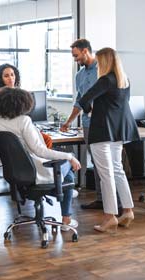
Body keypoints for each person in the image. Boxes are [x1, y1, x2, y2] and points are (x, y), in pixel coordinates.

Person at [0, 87, 81, 229]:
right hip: (35, 170)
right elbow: (40, 151)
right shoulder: (24, 121)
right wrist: (69, 156)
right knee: (70, 163)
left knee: (67, 175)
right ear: (23, 104)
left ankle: (65, 195)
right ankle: (66, 215)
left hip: (15, 172)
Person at [77, 47, 139, 233]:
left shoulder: (105, 80)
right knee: (117, 170)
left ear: (104, 61)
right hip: (119, 131)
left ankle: (110, 217)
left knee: (106, 175)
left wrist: (90, 110)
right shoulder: (124, 80)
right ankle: (127, 211)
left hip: (103, 131)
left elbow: (84, 100)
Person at [60, 39, 106, 210]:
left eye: (76, 55)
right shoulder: (79, 75)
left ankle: (112, 201)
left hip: (103, 122)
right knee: (95, 161)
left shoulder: (102, 70)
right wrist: (68, 122)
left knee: (105, 163)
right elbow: (80, 101)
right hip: (87, 123)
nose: (75, 59)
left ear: (85, 51)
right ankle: (102, 200)